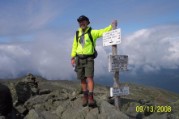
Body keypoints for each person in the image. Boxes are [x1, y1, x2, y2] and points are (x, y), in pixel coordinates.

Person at [71, 15, 117, 107]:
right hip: (78, 58)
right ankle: (85, 96)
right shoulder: (77, 33)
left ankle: (90, 97)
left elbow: (102, 31)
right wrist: (72, 57)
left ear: (87, 22)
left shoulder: (92, 32)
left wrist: (111, 26)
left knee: (89, 77)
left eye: (83, 21)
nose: (82, 23)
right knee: (82, 78)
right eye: (80, 22)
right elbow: (74, 46)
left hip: (89, 58)